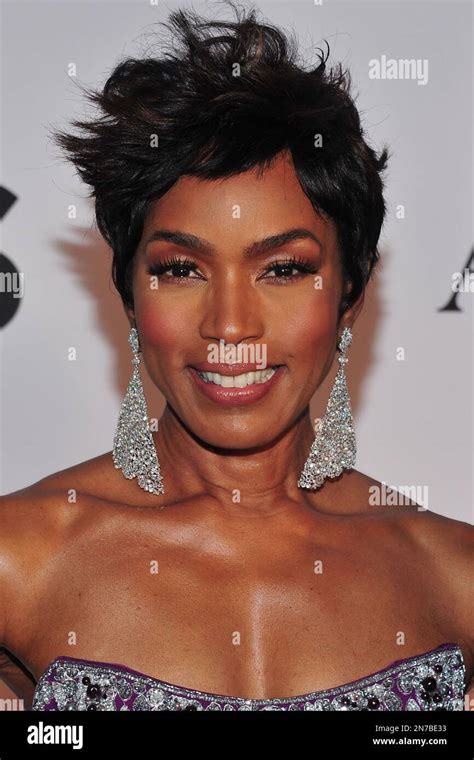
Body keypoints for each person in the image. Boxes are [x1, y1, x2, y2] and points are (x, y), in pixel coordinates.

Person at [0, 1, 472, 711]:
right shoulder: (17, 557)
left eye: (282, 269)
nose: (229, 324)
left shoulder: (454, 577)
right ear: (129, 295)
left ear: (351, 295)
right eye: (180, 269)